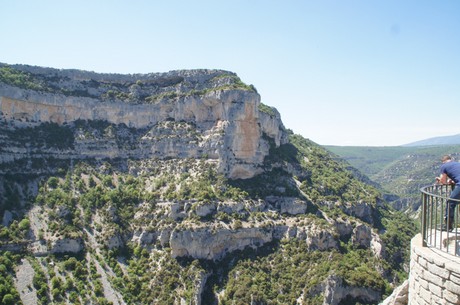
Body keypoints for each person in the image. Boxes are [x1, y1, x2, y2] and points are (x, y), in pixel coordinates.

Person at [435, 155, 460, 231]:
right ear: (450, 160)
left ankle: (448, 226)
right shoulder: (457, 164)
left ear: (443, 161)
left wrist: (439, 180)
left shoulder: (444, 166)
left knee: (450, 203)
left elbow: (443, 182)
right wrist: (452, 181)